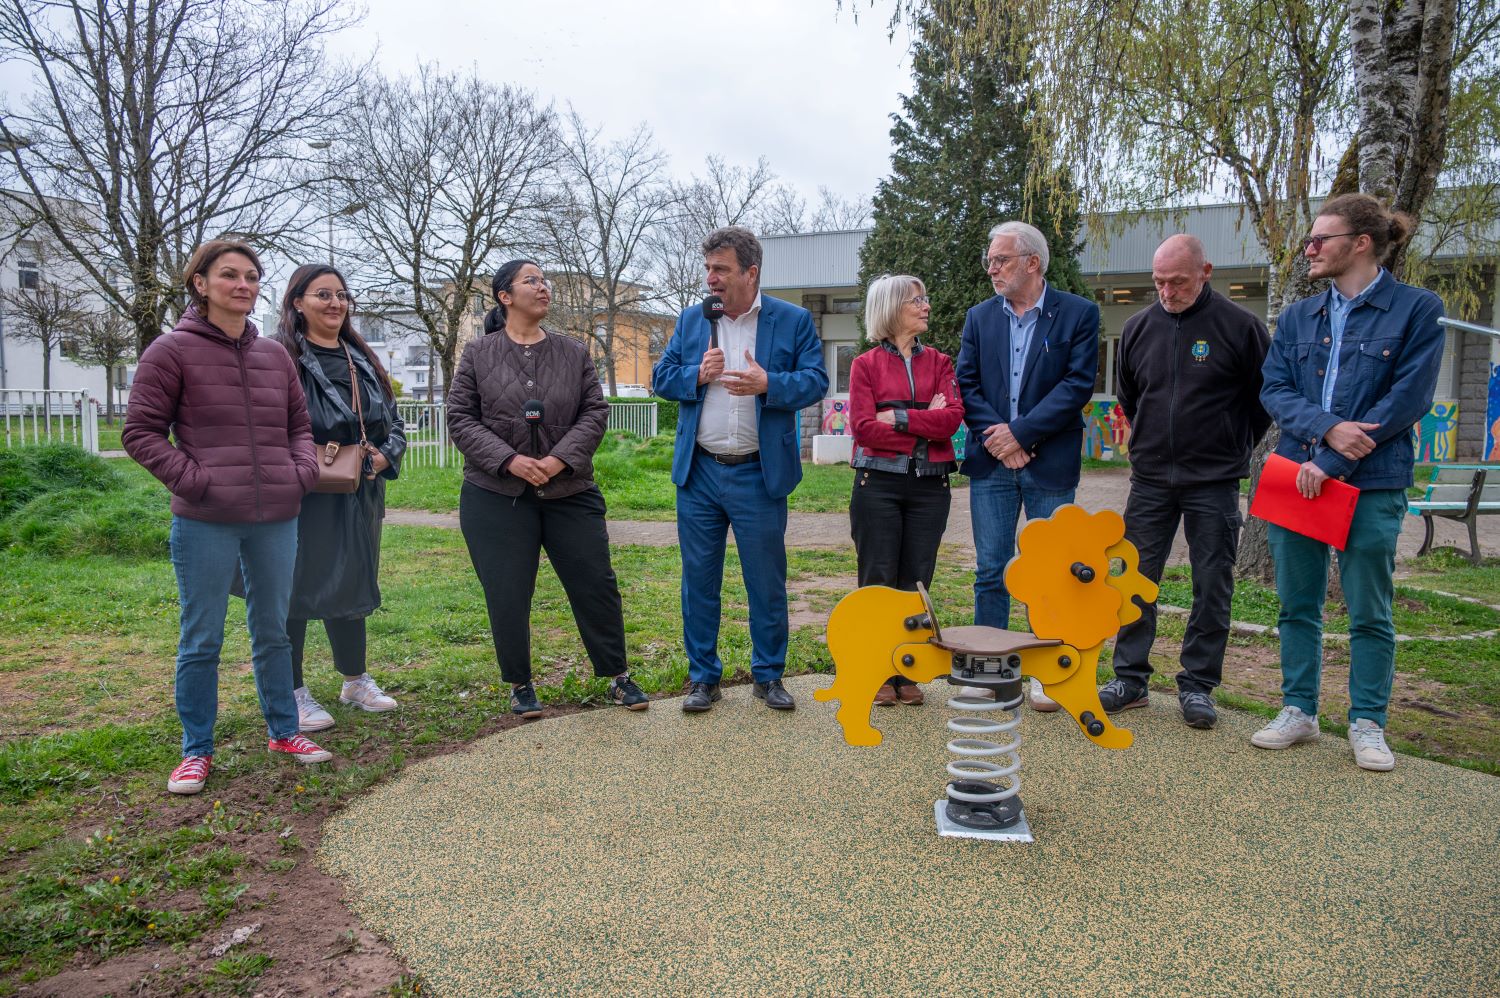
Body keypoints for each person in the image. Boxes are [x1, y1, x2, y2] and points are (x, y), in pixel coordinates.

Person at [123, 241, 331, 795]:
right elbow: (140, 433)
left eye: (252, 276)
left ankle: (284, 732)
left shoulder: (274, 356)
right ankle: (196, 750)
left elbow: (298, 427)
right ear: (200, 283)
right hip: (206, 519)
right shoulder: (170, 351)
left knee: (274, 632)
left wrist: (300, 472)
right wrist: (198, 483)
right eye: (230, 275)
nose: (243, 285)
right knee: (202, 638)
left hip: (276, 517)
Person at [1253, 193, 1444, 771]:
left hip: (1372, 481)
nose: (1309, 249)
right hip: (1298, 473)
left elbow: (1408, 399)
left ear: (1361, 243)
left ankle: (1367, 722)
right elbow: (1274, 389)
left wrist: (1333, 461)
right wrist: (1328, 429)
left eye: (1320, 239)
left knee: (1369, 610)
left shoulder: (1416, 309)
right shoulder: (1298, 317)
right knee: (1297, 604)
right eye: (1309, 240)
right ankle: (1299, 710)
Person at [447, 259, 647, 718]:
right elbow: (460, 417)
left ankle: (617, 676)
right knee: (508, 591)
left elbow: (594, 412)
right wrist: (510, 461)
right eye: (531, 281)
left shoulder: (573, 352)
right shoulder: (478, 353)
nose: (544, 287)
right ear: (505, 296)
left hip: (569, 491)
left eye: (545, 281)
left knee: (595, 583)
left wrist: (558, 460)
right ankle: (520, 685)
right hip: (495, 494)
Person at [1095, 235, 1271, 729]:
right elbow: (1131, 397)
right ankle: (1130, 678)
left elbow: (1263, 400)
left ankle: (1197, 685)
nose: (1167, 292)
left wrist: (1232, 445)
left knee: (1212, 582)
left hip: (1214, 480)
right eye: (1159, 282)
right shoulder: (1138, 327)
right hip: (1151, 479)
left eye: (1177, 282)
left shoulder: (1241, 327)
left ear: (1205, 272)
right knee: (1134, 580)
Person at [652, 226, 829, 713]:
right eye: (708, 268)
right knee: (699, 581)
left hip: (759, 473)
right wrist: (697, 374)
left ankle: (768, 675)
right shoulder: (693, 319)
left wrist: (768, 383)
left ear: (751, 273)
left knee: (766, 581)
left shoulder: (791, 320)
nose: (711, 278)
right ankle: (703, 678)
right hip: (700, 474)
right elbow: (661, 379)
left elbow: (816, 380)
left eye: (721, 269)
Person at [955, 221, 1100, 709]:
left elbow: (1076, 386)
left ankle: (1047, 670)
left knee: (1054, 572)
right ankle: (989, 668)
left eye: (1001, 260)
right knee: (991, 569)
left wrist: (1021, 434)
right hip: (992, 462)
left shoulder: (1078, 313)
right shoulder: (979, 318)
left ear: (1032, 262)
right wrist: (1001, 440)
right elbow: (967, 385)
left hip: (1049, 462)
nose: (991, 269)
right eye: (990, 260)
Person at [273, 264, 406, 730]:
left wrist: (388, 453)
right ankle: (290, 690)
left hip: (359, 488)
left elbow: (393, 419)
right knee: (294, 587)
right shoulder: (280, 356)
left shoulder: (361, 356)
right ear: (297, 302)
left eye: (342, 295)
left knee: (351, 580)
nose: (336, 303)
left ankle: (354, 680)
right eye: (323, 294)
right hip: (304, 491)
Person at [847, 274, 965, 707]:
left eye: (924, 298)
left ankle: (905, 670)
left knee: (916, 581)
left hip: (930, 486)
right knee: (878, 580)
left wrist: (896, 418)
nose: (926, 306)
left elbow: (951, 420)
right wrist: (923, 420)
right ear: (892, 307)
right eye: (917, 300)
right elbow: (863, 428)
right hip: (877, 484)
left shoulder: (941, 363)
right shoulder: (864, 365)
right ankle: (877, 669)